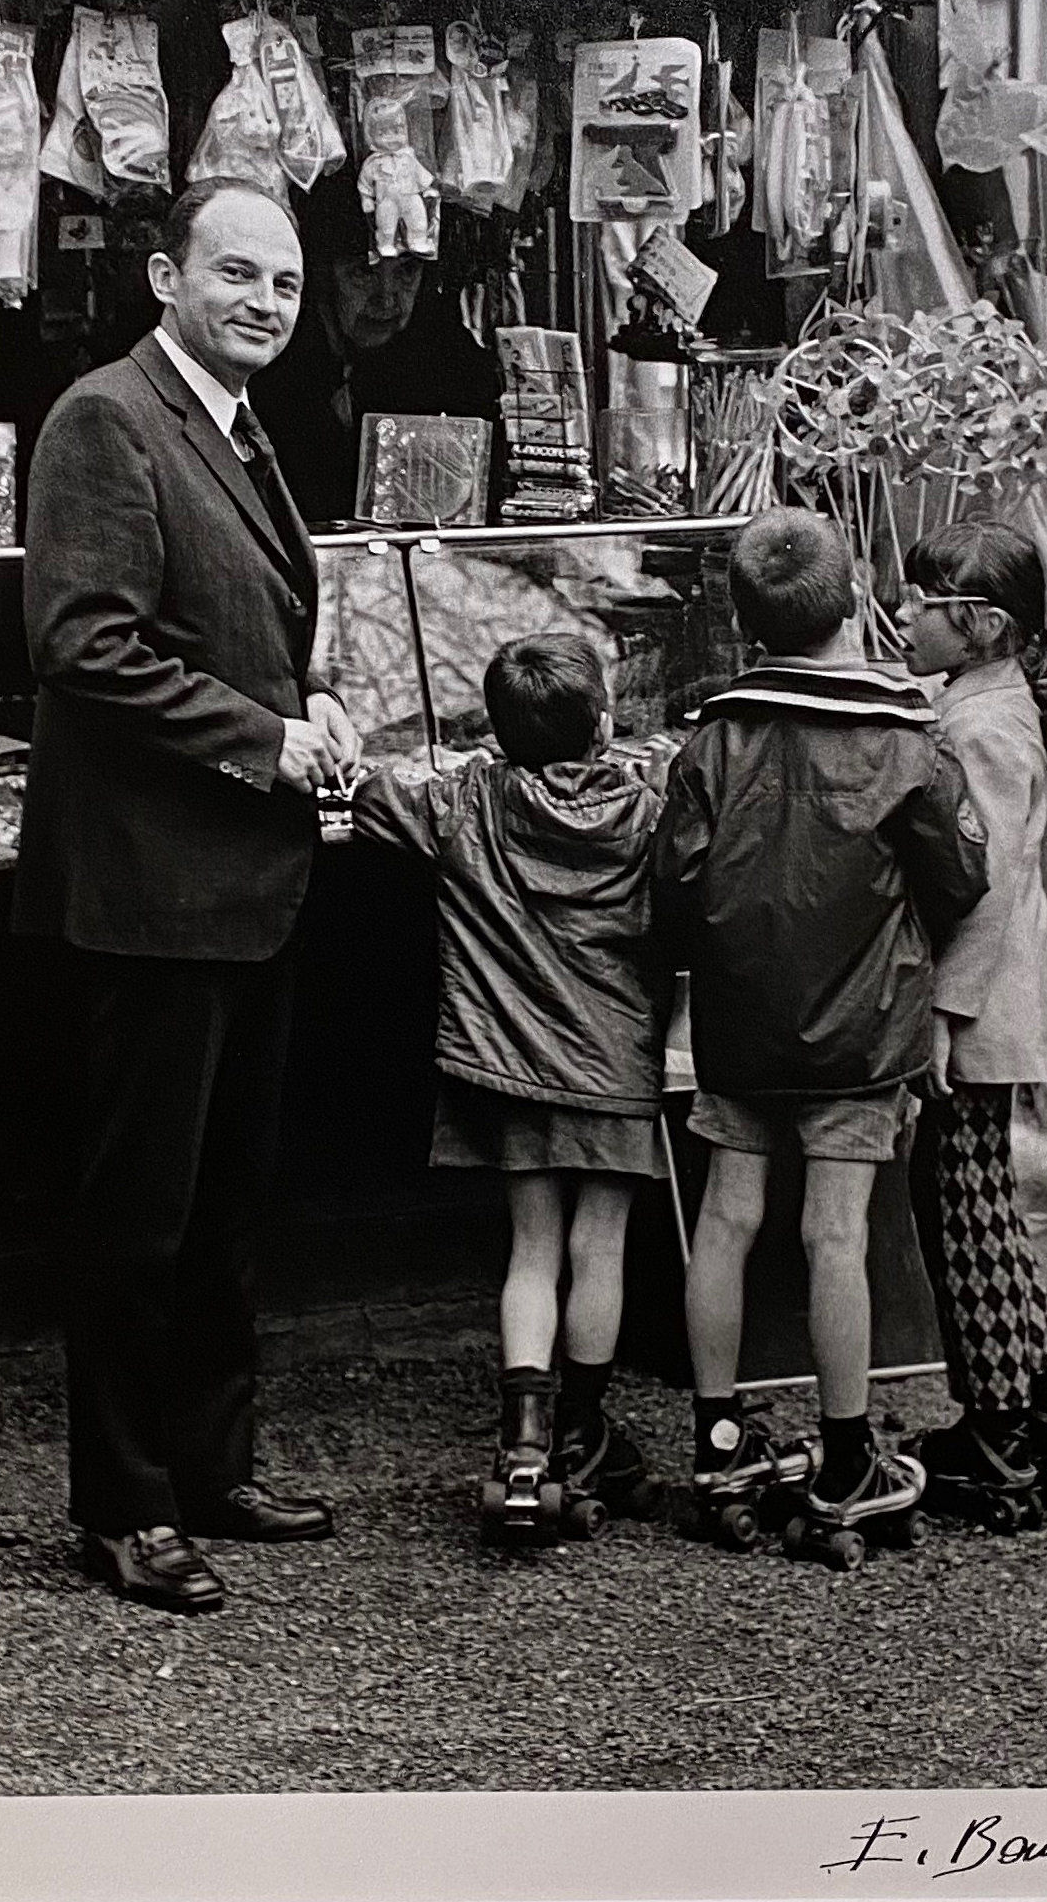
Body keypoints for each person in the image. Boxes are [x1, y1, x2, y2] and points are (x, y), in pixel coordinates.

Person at [13, 178, 363, 1614]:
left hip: (245, 883)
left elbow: (232, 619)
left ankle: (212, 1463)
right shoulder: (106, 416)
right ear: (163, 275)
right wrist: (267, 738)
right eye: (235, 274)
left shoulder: (235, 420)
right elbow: (81, 643)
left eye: (282, 283)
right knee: (140, 1219)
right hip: (150, 893)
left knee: (224, 1204)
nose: (264, 304)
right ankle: (124, 1503)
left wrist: (312, 699)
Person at [651, 509, 991, 1545]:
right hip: (863, 1026)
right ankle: (846, 1457)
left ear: (745, 621)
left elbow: (672, 883)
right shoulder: (906, 739)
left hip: (741, 1022)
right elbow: (964, 875)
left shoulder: (715, 734)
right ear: (851, 604)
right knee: (835, 1232)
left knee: (726, 1218)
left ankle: (718, 1445)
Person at [350, 634, 671, 1535]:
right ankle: (583, 1430)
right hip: (613, 1061)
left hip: (510, 1062)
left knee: (531, 1247)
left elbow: (373, 799)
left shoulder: (464, 801)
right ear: (603, 722)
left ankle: (523, 1444)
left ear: (495, 730)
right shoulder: (648, 801)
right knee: (597, 1246)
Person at [896, 519, 1047, 1520]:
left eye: (921, 602)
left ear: (981, 625)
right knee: (974, 1199)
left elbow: (985, 884)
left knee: (966, 1210)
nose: (902, 612)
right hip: (995, 992)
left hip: (982, 997)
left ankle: (998, 1427)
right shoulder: (980, 699)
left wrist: (945, 1013)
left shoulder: (984, 724)